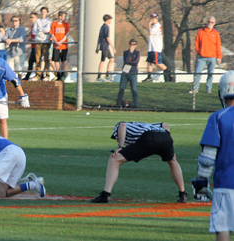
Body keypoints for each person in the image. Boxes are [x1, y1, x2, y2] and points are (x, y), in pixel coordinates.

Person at [90, 121, 187, 203]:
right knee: (172, 161)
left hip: (149, 138)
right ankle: (182, 194)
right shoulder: (145, 125)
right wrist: (170, 148)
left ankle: (106, 194)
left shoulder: (120, 127)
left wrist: (120, 146)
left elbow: (122, 125)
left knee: (114, 159)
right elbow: (165, 125)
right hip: (166, 137)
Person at [190, 71, 234, 241]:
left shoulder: (218, 117)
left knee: (222, 227)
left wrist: (201, 183)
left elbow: (208, 158)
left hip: (227, 183)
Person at [190, 16, 222, 94]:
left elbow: (218, 46)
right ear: (206, 22)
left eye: (212, 22)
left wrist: (219, 57)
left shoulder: (216, 33)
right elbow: (196, 42)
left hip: (213, 57)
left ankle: (208, 89)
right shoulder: (201, 31)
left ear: (214, 24)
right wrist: (198, 52)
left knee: (210, 74)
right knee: (197, 73)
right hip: (202, 57)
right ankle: (195, 88)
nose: (210, 23)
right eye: (209, 21)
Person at [143, 13, 173, 82]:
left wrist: (149, 24)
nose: (152, 19)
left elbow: (150, 32)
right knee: (149, 61)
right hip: (151, 47)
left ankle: (169, 71)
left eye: (153, 18)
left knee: (157, 62)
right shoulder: (154, 26)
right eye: (151, 18)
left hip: (156, 48)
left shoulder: (157, 26)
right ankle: (149, 76)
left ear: (157, 19)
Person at [116, 39, 140, 108]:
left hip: (133, 73)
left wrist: (130, 61)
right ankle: (118, 104)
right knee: (121, 88)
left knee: (134, 89)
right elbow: (126, 60)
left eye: (134, 44)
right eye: (131, 44)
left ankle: (136, 105)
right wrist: (130, 53)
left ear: (136, 45)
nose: (132, 46)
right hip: (125, 73)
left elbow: (135, 62)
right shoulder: (126, 52)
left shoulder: (137, 53)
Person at [31, 7, 52, 81]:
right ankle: (38, 75)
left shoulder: (49, 21)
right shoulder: (37, 21)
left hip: (46, 42)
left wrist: (40, 30)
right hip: (38, 42)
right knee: (38, 59)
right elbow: (34, 31)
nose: (43, 13)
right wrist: (41, 31)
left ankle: (47, 75)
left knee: (46, 59)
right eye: (42, 11)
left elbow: (48, 30)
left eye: (44, 11)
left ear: (47, 13)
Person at [50, 11, 70, 81]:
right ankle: (58, 74)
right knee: (56, 60)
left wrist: (60, 42)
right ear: (60, 17)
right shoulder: (54, 24)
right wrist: (56, 42)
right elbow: (52, 33)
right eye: (64, 16)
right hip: (56, 46)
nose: (65, 18)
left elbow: (67, 34)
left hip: (64, 46)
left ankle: (63, 74)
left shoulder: (66, 24)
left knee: (63, 60)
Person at [96, 14, 116, 81]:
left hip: (103, 46)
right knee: (104, 60)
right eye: (110, 19)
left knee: (111, 59)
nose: (111, 21)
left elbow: (99, 37)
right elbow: (107, 38)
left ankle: (105, 75)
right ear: (108, 20)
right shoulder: (106, 27)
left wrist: (97, 46)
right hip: (105, 46)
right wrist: (113, 47)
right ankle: (101, 76)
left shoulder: (102, 27)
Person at [23, 12, 38, 81]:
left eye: (32, 17)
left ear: (36, 18)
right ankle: (27, 76)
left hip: (38, 47)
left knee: (37, 62)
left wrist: (32, 39)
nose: (31, 19)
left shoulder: (38, 25)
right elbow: (31, 35)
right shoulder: (32, 26)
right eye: (30, 17)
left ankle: (40, 75)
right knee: (31, 62)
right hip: (33, 47)